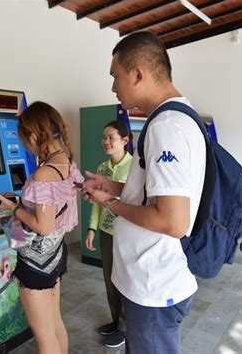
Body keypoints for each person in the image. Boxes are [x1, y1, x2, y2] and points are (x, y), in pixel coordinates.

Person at [80, 31, 206, 353]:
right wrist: (115, 187)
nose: (113, 87)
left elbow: (172, 221)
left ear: (138, 74)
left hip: (155, 285)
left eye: (115, 76)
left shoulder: (166, 128)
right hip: (153, 280)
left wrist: (111, 203)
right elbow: (158, 195)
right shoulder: (176, 118)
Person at [0, 101, 83, 354]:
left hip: (36, 264)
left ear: (34, 136)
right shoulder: (65, 160)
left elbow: (43, 226)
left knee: (44, 336)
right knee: (54, 322)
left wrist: (12, 208)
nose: (24, 145)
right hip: (55, 254)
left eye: (24, 139)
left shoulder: (45, 173)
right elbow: (51, 210)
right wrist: (22, 202)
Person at [85, 120, 132, 348]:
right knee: (109, 279)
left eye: (111, 137)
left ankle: (125, 327)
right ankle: (115, 321)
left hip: (126, 232)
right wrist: (92, 228)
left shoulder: (134, 168)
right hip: (106, 230)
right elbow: (96, 201)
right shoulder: (102, 168)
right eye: (104, 137)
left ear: (125, 141)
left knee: (124, 280)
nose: (106, 142)